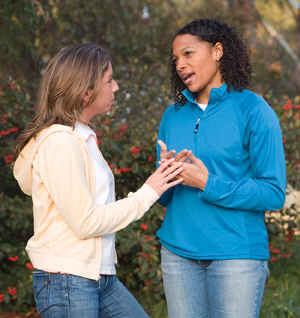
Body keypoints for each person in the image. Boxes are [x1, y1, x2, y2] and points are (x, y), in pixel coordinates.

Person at [12, 44, 184, 318]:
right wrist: (147, 192)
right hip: (68, 278)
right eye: (109, 80)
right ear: (85, 92)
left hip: (98, 276)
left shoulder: (82, 139)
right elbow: (85, 222)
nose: (115, 87)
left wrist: (163, 176)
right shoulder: (61, 143)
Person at [156, 19, 286, 318]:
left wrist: (207, 183)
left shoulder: (254, 110)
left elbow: (273, 192)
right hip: (178, 253)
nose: (180, 64)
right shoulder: (172, 117)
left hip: (236, 256)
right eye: (175, 59)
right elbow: (163, 198)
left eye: (188, 54)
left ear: (217, 51)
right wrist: (166, 178)